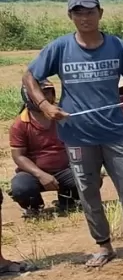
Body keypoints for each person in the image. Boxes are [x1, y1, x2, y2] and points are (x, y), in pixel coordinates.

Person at [22, 0, 123, 268]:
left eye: (90, 11)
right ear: (70, 16)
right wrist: (44, 104)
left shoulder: (117, 46)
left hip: (114, 131)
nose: (84, 17)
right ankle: (103, 246)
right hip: (77, 134)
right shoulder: (59, 48)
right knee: (88, 190)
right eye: (78, 12)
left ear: (100, 14)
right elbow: (30, 75)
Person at [9, 81, 78, 218]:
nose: (45, 97)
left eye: (47, 92)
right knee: (21, 188)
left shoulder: (63, 116)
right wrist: (41, 175)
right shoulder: (20, 124)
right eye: (40, 93)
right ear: (28, 97)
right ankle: (34, 207)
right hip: (33, 174)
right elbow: (19, 157)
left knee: (90, 177)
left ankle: (68, 201)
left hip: (64, 170)